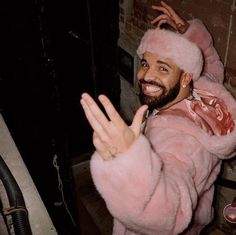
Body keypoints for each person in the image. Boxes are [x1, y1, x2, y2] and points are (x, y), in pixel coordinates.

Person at [80, 1, 236, 234]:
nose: (145, 75)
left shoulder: (179, 143)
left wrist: (128, 162)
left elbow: (166, 216)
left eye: (163, 68)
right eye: (145, 63)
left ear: (185, 79)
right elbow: (212, 65)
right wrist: (187, 31)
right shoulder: (204, 90)